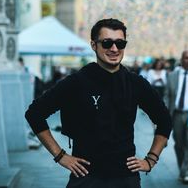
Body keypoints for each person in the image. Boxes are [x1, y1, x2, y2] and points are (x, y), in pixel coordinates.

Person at [25, 18, 172, 188]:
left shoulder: (135, 83)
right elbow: (34, 114)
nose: (114, 49)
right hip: (86, 177)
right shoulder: (77, 82)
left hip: (125, 178)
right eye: (107, 43)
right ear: (94, 45)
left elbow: (164, 120)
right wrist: (60, 156)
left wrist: (151, 159)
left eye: (120, 43)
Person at [164, 50, 188, 184]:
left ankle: (185, 172)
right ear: (181, 59)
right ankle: (183, 168)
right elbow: (167, 96)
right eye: (186, 58)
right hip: (177, 115)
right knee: (179, 144)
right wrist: (164, 115)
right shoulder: (172, 76)